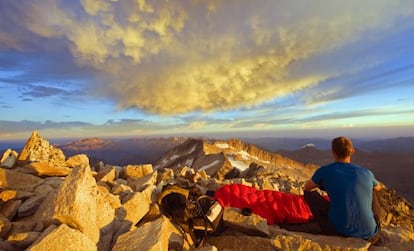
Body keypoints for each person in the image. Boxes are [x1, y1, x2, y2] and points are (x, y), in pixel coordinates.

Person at [303, 136, 383, 244]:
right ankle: (374, 220)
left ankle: (326, 219)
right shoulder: (366, 173)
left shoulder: (324, 171)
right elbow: (378, 187)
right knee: (372, 190)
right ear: (352, 151)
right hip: (371, 236)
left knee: (308, 194)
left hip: (336, 230)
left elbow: (307, 187)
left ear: (333, 152)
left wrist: (326, 185)